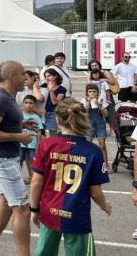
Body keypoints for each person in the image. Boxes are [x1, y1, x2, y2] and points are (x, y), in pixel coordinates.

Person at [30, 99, 112, 256]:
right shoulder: (93, 151)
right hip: (77, 214)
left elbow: (36, 182)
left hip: (49, 210)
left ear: (58, 120)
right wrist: (104, 205)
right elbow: (95, 192)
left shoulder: (47, 144)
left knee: (44, 251)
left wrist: (34, 209)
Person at [0, 61, 35, 256]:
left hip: (7, 158)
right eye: (22, 75)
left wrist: (22, 125)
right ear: (12, 76)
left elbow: (3, 123)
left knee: (5, 205)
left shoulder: (8, 97)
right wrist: (19, 137)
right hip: (2, 160)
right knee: (22, 210)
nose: (25, 79)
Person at [81, 83, 110, 173]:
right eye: (90, 92)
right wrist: (88, 105)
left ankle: (106, 166)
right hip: (89, 124)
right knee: (87, 144)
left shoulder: (101, 100)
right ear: (87, 93)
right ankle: (86, 164)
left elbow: (106, 115)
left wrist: (100, 105)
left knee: (102, 145)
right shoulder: (84, 100)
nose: (92, 93)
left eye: (94, 91)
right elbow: (83, 114)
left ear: (97, 92)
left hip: (100, 124)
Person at [19, 95, 43, 183]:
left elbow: (39, 131)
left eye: (30, 103)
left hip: (32, 143)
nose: (28, 105)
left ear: (34, 105)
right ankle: (17, 177)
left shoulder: (36, 117)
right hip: (21, 142)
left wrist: (39, 144)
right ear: (22, 104)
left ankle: (34, 177)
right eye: (26, 103)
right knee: (19, 159)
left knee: (32, 160)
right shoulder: (19, 115)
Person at [41, 68, 66, 138]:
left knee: (53, 135)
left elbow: (55, 102)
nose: (47, 78)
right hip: (43, 112)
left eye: (49, 76)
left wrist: (51, 90)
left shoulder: (62, 89)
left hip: (53, 113)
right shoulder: (43, 86)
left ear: (55, 76)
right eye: (45, 76)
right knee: (42, 134)